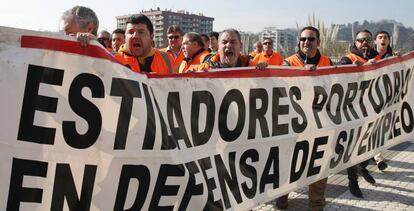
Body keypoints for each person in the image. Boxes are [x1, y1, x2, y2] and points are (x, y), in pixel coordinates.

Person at [276, 26, 333, 211]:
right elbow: (278, 86)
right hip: (293, 125)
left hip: (320, 124)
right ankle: (282, 196)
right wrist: (302, 76)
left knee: (319, 163)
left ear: (318, 42)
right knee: (286, 163)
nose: (306, 42)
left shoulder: (328, 62)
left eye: (311, 39)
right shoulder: (288, 63)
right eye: (303, 39)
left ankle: (316, 204)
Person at [340, 29, 381, 198]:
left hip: (374, 109)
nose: (364, 42)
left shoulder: (378, 58)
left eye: (367, 40)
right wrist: (355, 69)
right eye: (360, 40)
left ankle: (362, 167)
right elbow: (339, 77)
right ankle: (352, 181)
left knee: (372, 144)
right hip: (353, 111)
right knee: (353, 147)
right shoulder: (348, 59)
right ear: (355, 42)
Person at [187, 29, 257, 71]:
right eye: (224, 42)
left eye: (233, 42)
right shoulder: (206, 68)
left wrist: (264, 70)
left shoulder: (252, 66)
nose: (228, 45)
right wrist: (194, 75)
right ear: (218, 47)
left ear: (241, 46)